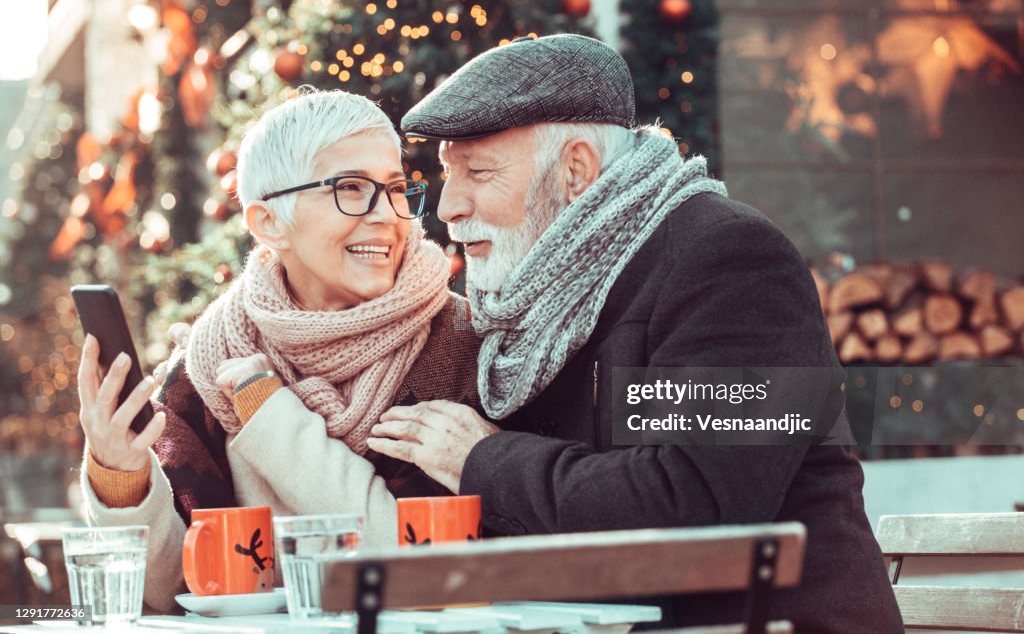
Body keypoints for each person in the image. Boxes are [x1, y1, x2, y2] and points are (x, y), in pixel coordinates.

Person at [365, 35, 904, 631]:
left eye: (478, 173)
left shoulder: (729, 259)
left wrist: (481, 459)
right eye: (446, 174)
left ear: (576, 171)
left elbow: (697, 500)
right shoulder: (526, 302)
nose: (448, 208)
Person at [76, 89, 479, 612]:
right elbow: (177, 591)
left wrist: (270, 415)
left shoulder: (460, 346)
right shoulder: (209, 364)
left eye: (396, 188)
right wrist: (122, 476)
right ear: (268, 223)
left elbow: (420, 573)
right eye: (351, 188)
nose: (387, 215)